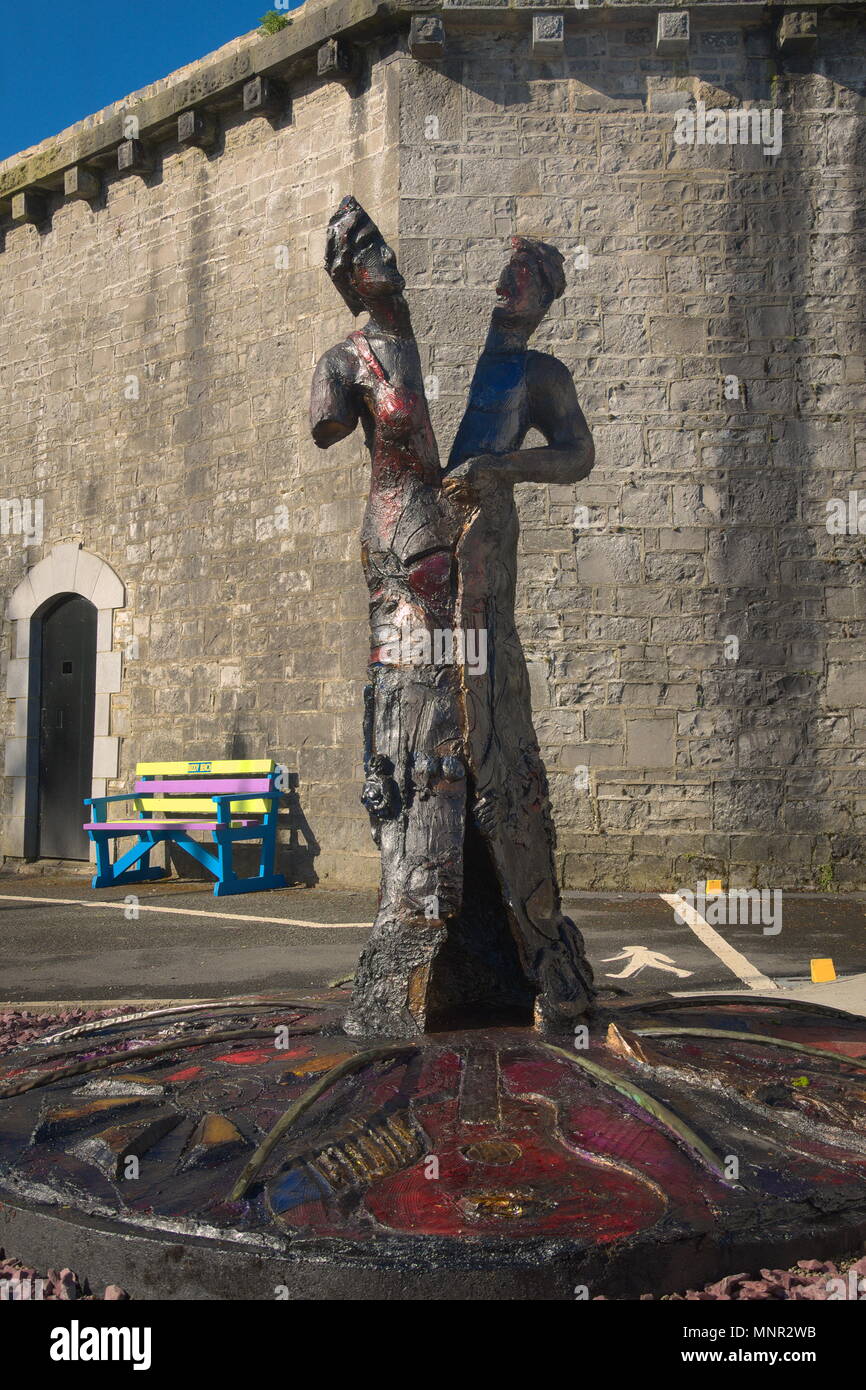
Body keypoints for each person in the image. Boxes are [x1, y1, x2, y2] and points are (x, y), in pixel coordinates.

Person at [442, 236, 596, 1029]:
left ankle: (533, 940)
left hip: (482, 548)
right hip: (426, 556)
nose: (507, 285)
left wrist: (500, 468)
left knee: (489, 711)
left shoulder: (542, 374)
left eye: (526, 278)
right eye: (506, 271)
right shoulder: (450, 358)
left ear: (545, 298)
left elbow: (577, 455)